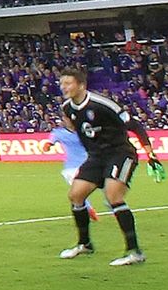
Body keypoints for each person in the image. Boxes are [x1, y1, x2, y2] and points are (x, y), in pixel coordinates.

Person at [58, 68, 161, 266]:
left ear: (81, 85)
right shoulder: (67, 108)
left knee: (113, 196)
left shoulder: (102, 104)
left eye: (68, 83)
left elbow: (135, 125)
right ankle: (84, 244)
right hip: (96, 157)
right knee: (76, 195)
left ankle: (134, 251)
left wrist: (150, 153)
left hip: (120, 153)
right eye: (62, 83)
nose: (64, 87)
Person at [49, 124, 105, 221]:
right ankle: (89, 210)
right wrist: (47, 145)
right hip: (71, 168)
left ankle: (114, 206)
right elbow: (50, 142)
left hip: (89, 164)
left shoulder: (85, 130)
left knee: (106, 185)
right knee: (78, 192)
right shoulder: (59, 132)